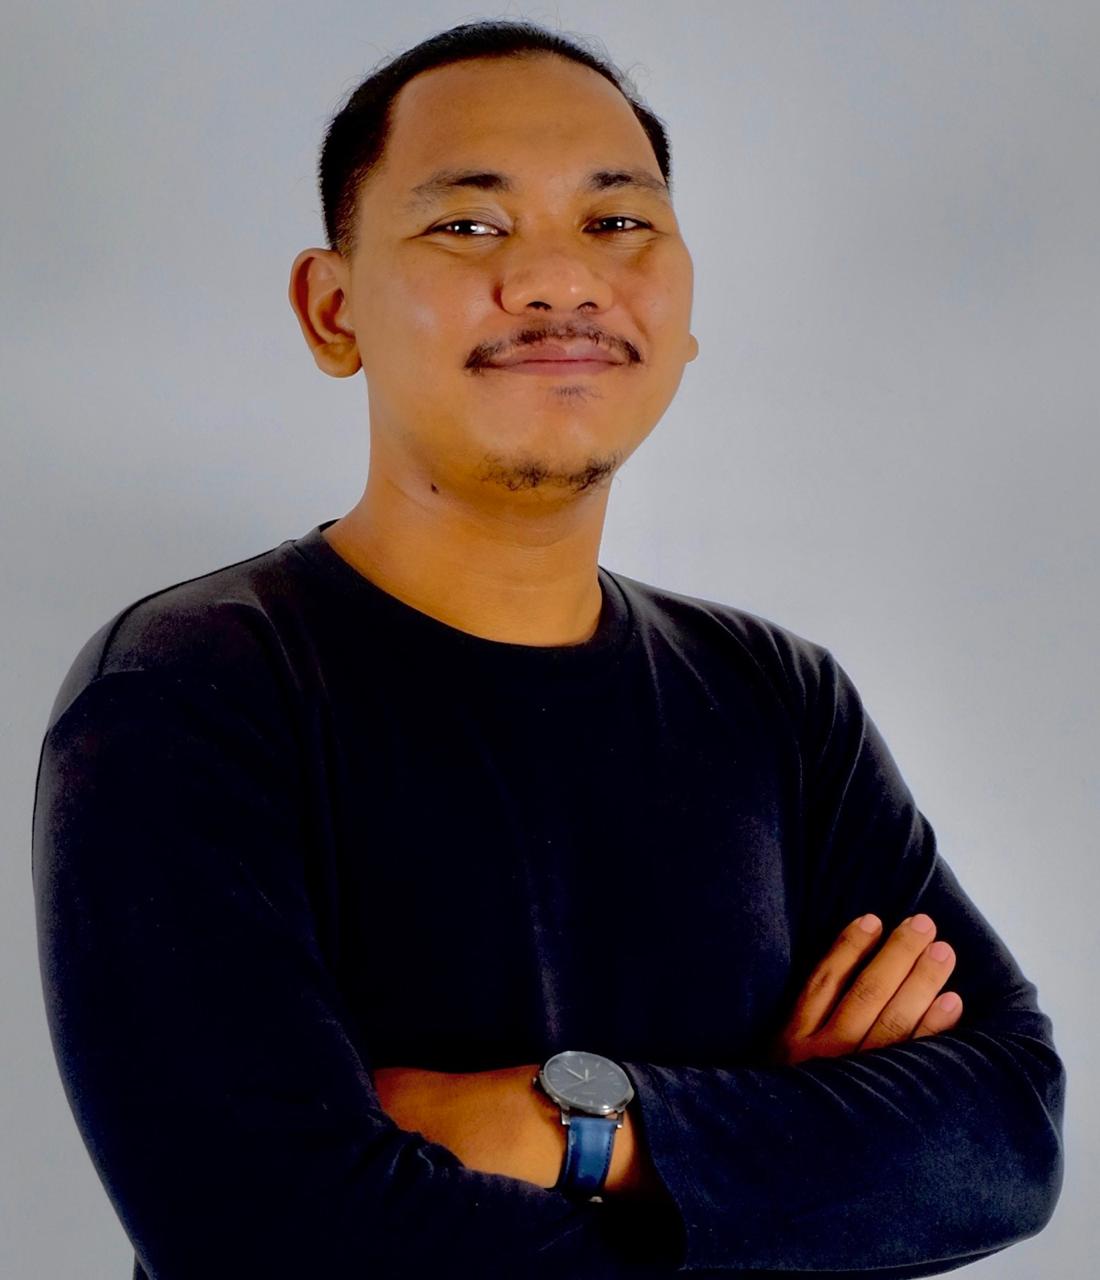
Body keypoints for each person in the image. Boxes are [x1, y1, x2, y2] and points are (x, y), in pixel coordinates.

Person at [32, 19, 1064, 1280]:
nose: (559, 279)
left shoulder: (775, 698)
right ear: (332, 307)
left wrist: (577, 1128)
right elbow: (276, 1238)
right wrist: (779, 1162)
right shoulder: (188, 692)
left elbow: (1007, 1134)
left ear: (684, 305)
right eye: (469, 224)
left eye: (616, 220)